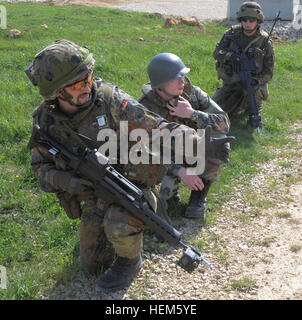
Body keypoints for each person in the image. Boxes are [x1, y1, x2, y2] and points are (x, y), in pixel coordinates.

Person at [25, 40, 233, 292]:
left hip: (133, 182)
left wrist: (200, 144)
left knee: (121, 223)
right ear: (57, 93)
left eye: (89, 79)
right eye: (79, 85)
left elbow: (157, 128)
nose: (88, 88)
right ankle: (122, 238)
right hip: (94, 192)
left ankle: (130, 260)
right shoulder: (45, 121)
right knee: (93, 265)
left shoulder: (109, 99)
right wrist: (68, 182)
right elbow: (40, 167)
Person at [138, 52, 230, 221]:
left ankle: (198, 198)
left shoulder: (192, 93)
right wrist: (179, 170)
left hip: (190, 149)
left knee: (218, 142)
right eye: (176, 78)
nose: (183, 81)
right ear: (160, 84)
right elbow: (143, 151)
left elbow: (224, 122)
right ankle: (172, 192)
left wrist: (192, 114)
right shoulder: (145, 108)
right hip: (164, 160)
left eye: (183, 76)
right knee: (163, 192)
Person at [212, 1, 275, 127]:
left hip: (253, 82)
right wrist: (231, 56)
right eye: (245, 20)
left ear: (258, 21)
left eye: (251, 20)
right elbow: (216, 53)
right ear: (241, 19)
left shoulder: (265, 41)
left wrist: (257, 81)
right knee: (215, 110)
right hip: (232, 80)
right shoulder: (231, 34)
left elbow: (269, 71)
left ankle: (254, 112)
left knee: (254, 94)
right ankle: (237, 102)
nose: (247, 24)